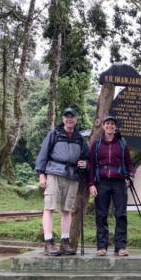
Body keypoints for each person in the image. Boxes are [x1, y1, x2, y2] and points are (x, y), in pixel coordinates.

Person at [35, 107, 89, 256]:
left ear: (76, 119)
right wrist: (41, 174)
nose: (69, 119)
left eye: (72, 117)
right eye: (67, 116)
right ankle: (48, 242)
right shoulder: (54, 134)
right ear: (63, 119)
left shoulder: (80, 138)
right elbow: (43, 153)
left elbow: (87, 157)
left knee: (67, 209)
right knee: (49, 207)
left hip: (73, 176)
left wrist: (86, 164)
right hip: (54, 172)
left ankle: (65, 242)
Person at [88, 116, 135, 256]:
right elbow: (91, 165)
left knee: (121, 214)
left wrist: (130, 175)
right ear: (103, 126)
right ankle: (101, 246)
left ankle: (120, 246)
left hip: (119, 182)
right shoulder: (97, 144)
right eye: (107, 123)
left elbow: (129, 163)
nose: (110, 126)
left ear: (115, 127)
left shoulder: (122, 143)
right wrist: (91, 184)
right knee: (101, 214)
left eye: (112, 124)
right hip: (101, 182)